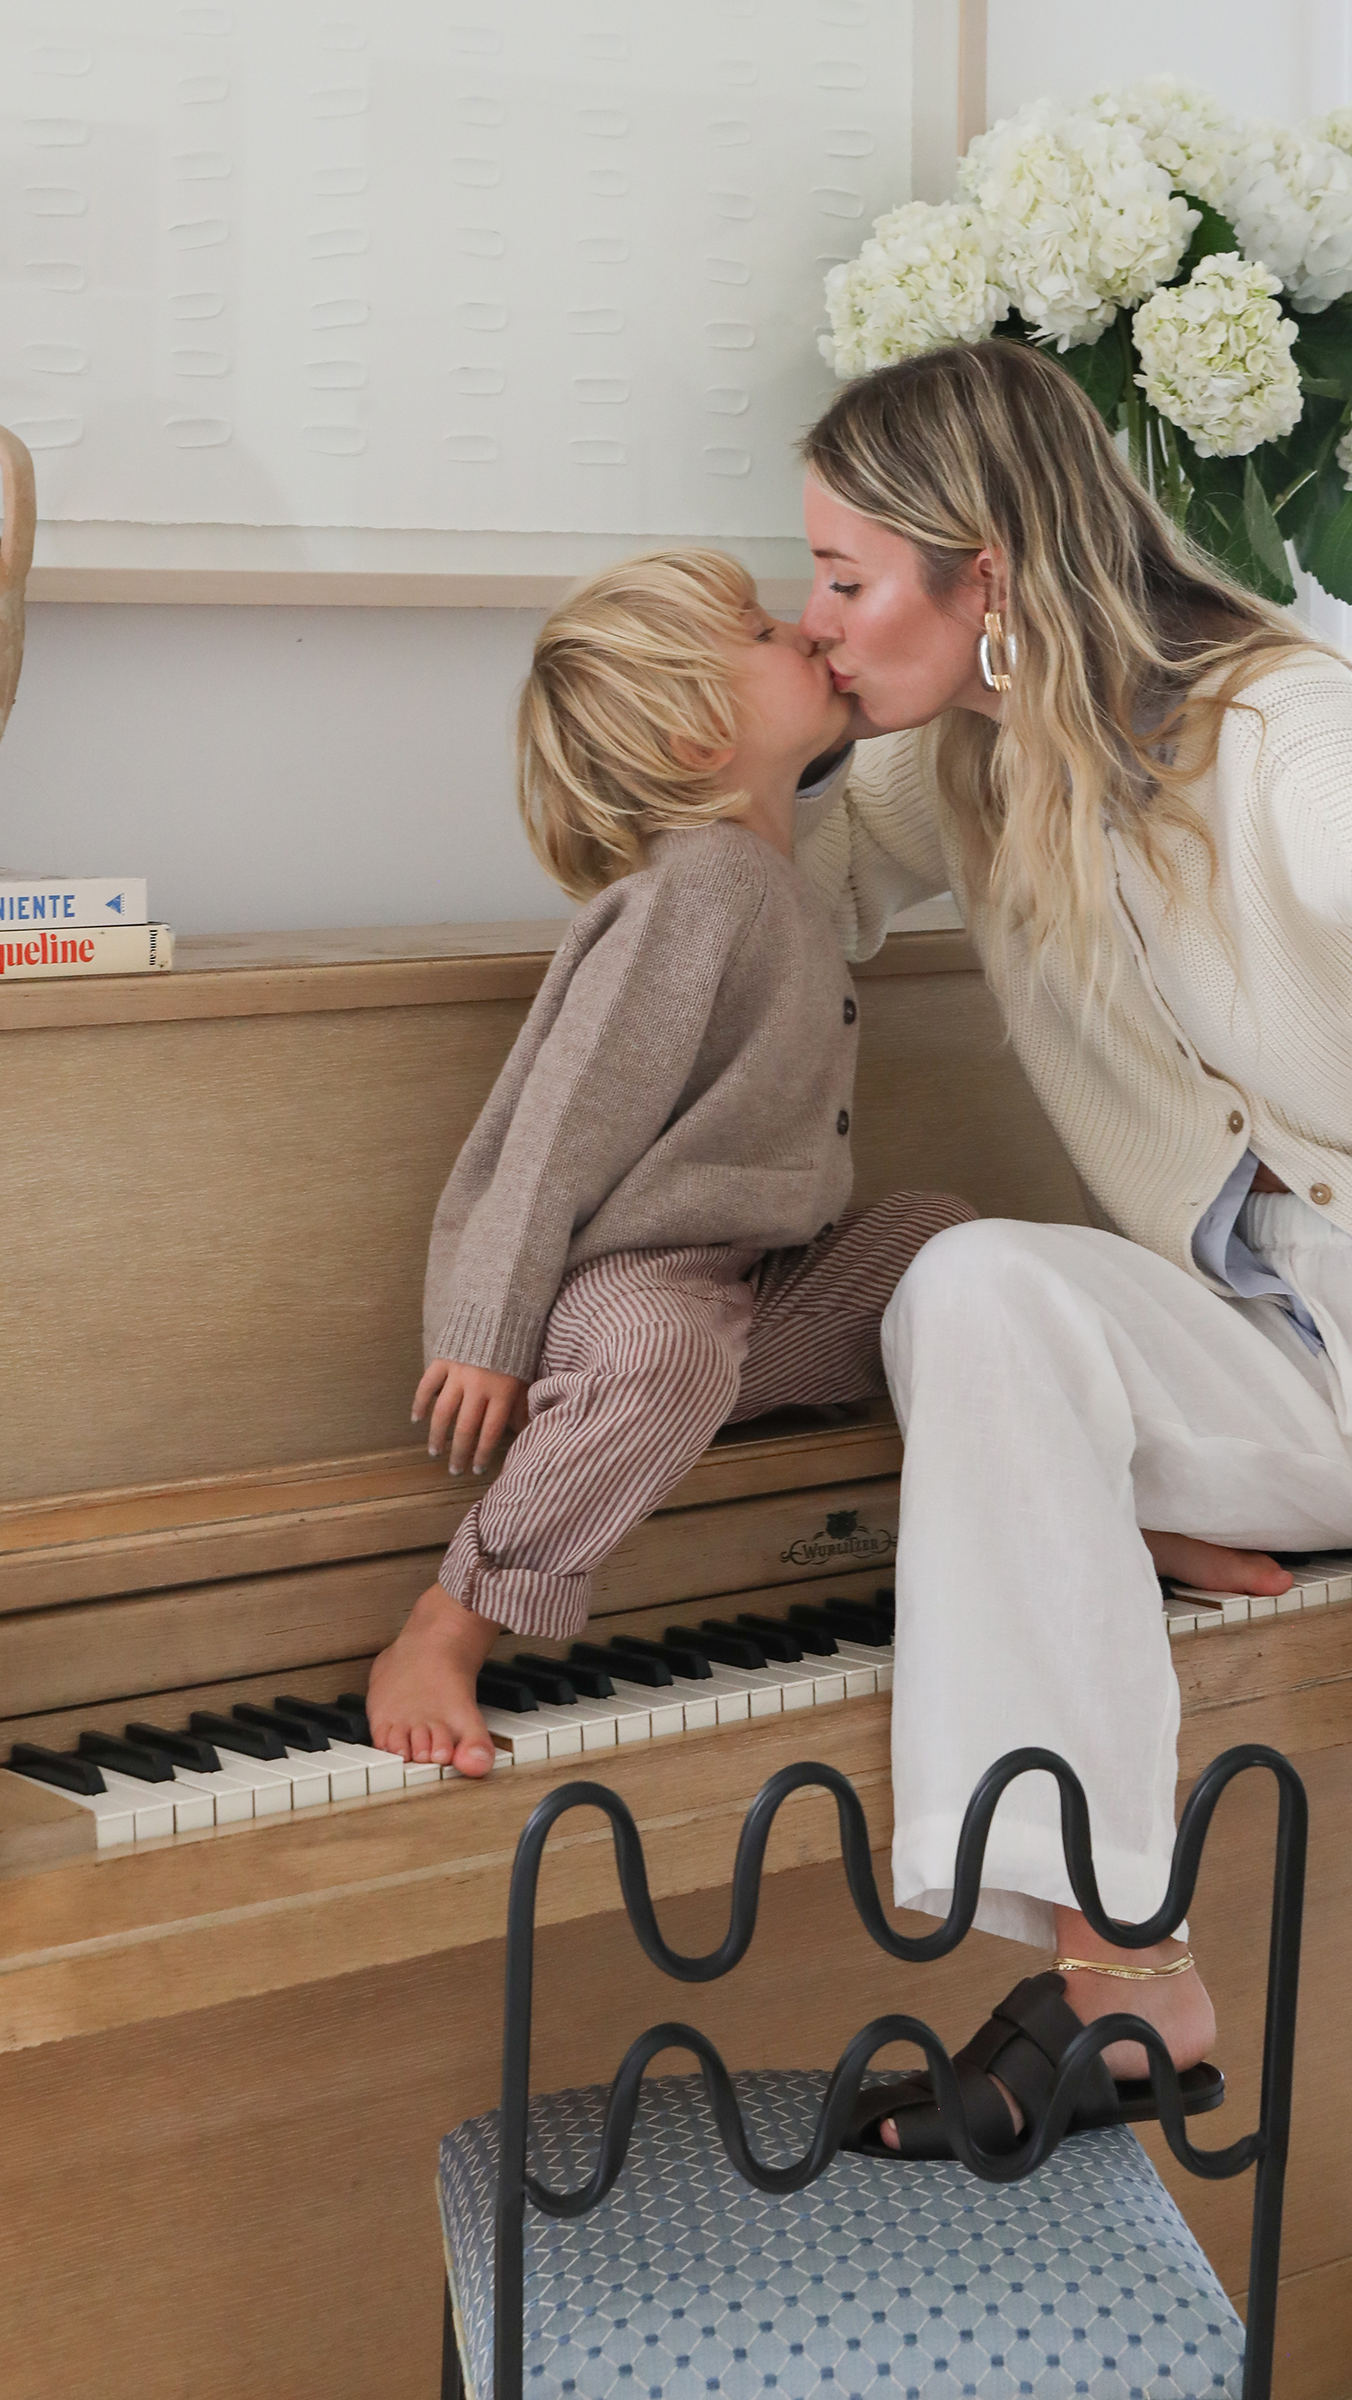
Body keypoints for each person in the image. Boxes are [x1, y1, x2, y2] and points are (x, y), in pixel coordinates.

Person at [790, 341, 1352, 2397]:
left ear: (991, 573)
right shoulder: (959, 755)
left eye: (848, 579)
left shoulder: (1277, 729)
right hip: (1285, 1367)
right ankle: (1119, 1966)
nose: (819, 616)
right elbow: (784, 892)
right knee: (975, 1294)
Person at [367, 548, 972, 1776]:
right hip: (630, 1292)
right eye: (759, 632)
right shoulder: (687, 896)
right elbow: (553, 1128)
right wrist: (484, 1329)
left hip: (760, 1288)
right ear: (701, 736)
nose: (804, 631)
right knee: (665, 1353)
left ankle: (1087, 1512)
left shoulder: (776, 869)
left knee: (944, 1247)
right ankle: (450, 1619)